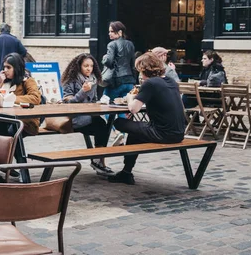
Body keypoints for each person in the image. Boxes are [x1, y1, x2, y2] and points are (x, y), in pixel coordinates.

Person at [108, 52, 185, 185]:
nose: (139, 74)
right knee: (136, 132)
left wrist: (130, 97)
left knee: (119, 122)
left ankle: (125, 172)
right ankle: (126, 172)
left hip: (162, 133)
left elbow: (134, 109)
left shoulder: (150, 84)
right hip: (179, 133)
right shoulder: (170, 81)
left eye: (139, 71)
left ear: (144, 70)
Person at [56, 53, 114, 176]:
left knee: (103, 126)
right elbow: (68, 102)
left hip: (90, 116)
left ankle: (99, 161)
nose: (89, 69)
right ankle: (99, 162)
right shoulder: (70, 79)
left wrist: (99, 103)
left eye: (91, 66)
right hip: (75, 118)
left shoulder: (93, 79)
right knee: (102, 126)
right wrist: (83, 91)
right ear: (79, 67)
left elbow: (93, 100)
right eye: (86, 66)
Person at [0, 52, 42, 135]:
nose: (5, 70)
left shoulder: (27, 80)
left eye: (8, 67)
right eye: (4, 67)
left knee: (5, 128)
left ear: (16, 68)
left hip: (24, 120)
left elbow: (35, 98)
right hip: (6, 117)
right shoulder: (4, 81)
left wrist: (11, 99)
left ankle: (8, 147)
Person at [102, 21, 136, 101]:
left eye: (112, 31)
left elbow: (109, 63)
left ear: (120, 32)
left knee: (106, 104)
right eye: (109, 31)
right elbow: (133, 64)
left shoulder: (111, 44)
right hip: (129, 81)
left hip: (116, 81)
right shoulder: (130, 44)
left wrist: (104, 58)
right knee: (122, 107)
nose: (109, 33)